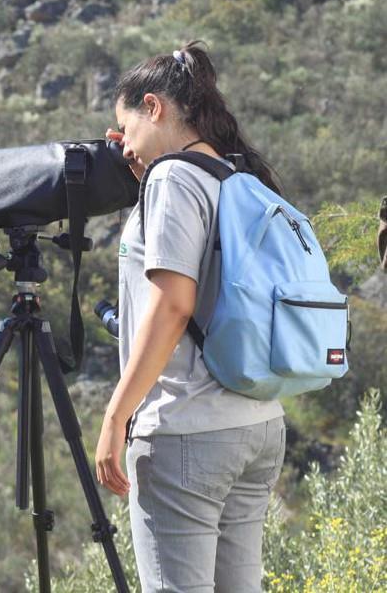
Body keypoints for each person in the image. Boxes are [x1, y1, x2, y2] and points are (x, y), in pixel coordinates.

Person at [95, 41, 287, 593]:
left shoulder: (173, 180)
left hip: (186, 431)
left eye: (125, 127)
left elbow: (174, 304)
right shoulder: (233, 174)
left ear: (154, 107)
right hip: (256, 424)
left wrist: (115, 417)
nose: (122, 144)